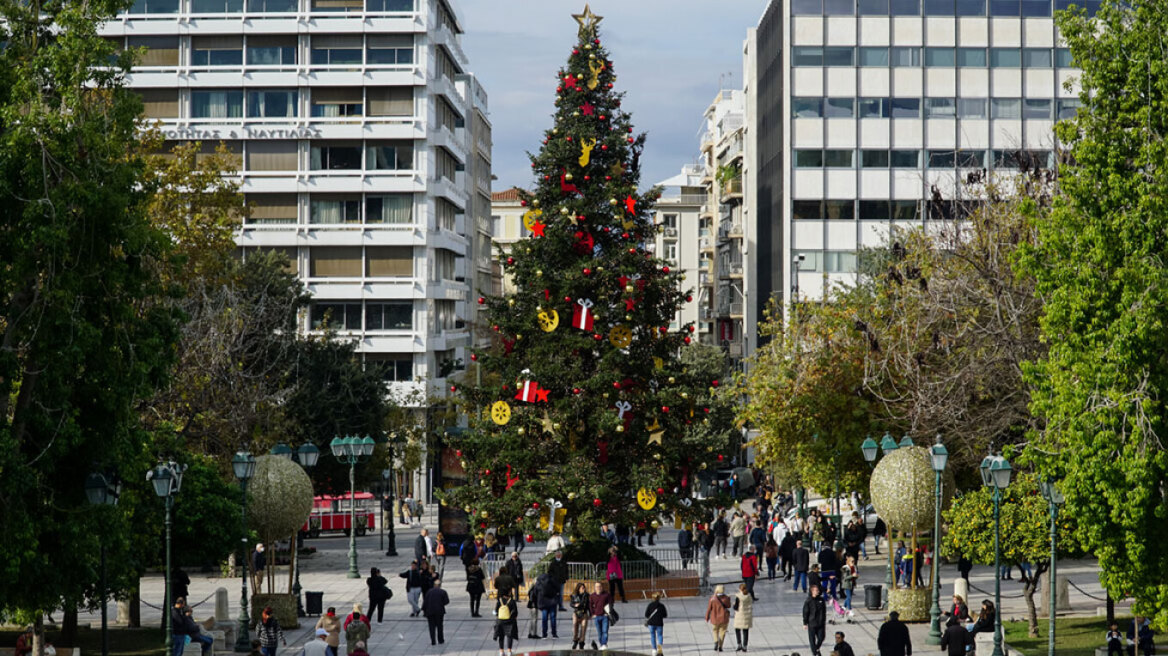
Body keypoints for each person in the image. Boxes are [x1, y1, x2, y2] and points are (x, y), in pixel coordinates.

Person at [421, 578, 449, 645]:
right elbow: (446, 601)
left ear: (434, 585)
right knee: (439, 626)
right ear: (439, 585)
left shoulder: (429, 591)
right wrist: (441, 604)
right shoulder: (443, 592)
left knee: (431, 627)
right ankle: (440, 639)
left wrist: (424, 610)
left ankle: (433, 641)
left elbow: (425, 601)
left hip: (430, 611)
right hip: (439, 611)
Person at [706, 584, 732, 652]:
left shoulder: (712, 598)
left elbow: (709, 609)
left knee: (715, 631)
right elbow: (729, 606)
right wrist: (729, 599)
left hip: (714, 618)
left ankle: (716, 641)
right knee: (722, 632)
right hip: (724, 618)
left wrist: (707, 617)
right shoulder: (726, 598)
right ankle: (720, 646)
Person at [588, 581, 613, 651]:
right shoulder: (592, 596)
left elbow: (611, 603)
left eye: (599, 586)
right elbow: (590, 605)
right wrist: (593, 614)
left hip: (605, 616)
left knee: (605, 631)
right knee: (599, 632)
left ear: (602, 587)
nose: (598, 588)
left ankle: (604, 644)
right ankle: (602, 644)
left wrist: (608, 612)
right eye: (597, 586)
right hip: (597, 617)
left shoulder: (607, 595)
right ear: (595, 588)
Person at [803, 584, 827, 656]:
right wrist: (805, 623)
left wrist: (824, 619)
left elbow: (824, 610)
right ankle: (815, 653)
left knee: (821, 637)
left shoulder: (821, 600)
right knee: (812, 639)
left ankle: (816, 648)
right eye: (816, 590)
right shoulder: (808, 601)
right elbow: (805, 612)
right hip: (812, 623)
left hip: (820, 622)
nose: (818, 592)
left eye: (818, 590)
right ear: (812, 591)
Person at [494, 589, 519, 656]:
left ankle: (501, 651)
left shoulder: (499, 601)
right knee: (509, 635)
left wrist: (497, 616)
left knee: (501, 636)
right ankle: (509, 651)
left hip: (500, 621)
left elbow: (495, 611)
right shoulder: (512, 601)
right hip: (509, 621)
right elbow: (515, 612)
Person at [535, 572, 559, 639]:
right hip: (552, 601)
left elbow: (535, 590)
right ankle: (554, 634)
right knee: (553, 618)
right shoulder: (552, 579)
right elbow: (558, 588)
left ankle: (544, 634)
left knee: (544, 618)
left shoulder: (539, 580)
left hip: (543, 601)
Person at [733, 582, 754, 652]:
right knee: (745, 631)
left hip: (739, 615)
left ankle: (739, 644)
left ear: (740, 589)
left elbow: (735, 607)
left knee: (737, 629)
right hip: (747, 615)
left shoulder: (738, 597)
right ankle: (745, 646)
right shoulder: (749, 596)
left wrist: (733, 605)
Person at [644, 592, 668, 656]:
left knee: (653, 636)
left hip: (651, 624)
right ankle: (659, 650)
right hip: (659, 623)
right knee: (660, 636)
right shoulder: (662, 606)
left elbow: (646, 615)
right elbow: (665, 615)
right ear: (659, 598)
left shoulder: (650, 605)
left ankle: (654, 650)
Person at [570, 582, 591, 650]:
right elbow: (571, 603)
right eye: (582, 588)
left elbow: (588, 606)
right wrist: (574, 605)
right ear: (578, 589)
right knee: (575, 626)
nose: (583, 589)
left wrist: (590, 614)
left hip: (584, 613)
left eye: (584, 588)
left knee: (583, 628)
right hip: (576, 613)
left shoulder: (587, 595)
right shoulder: (574, 595)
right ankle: (575, 640)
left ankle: (581, 642)